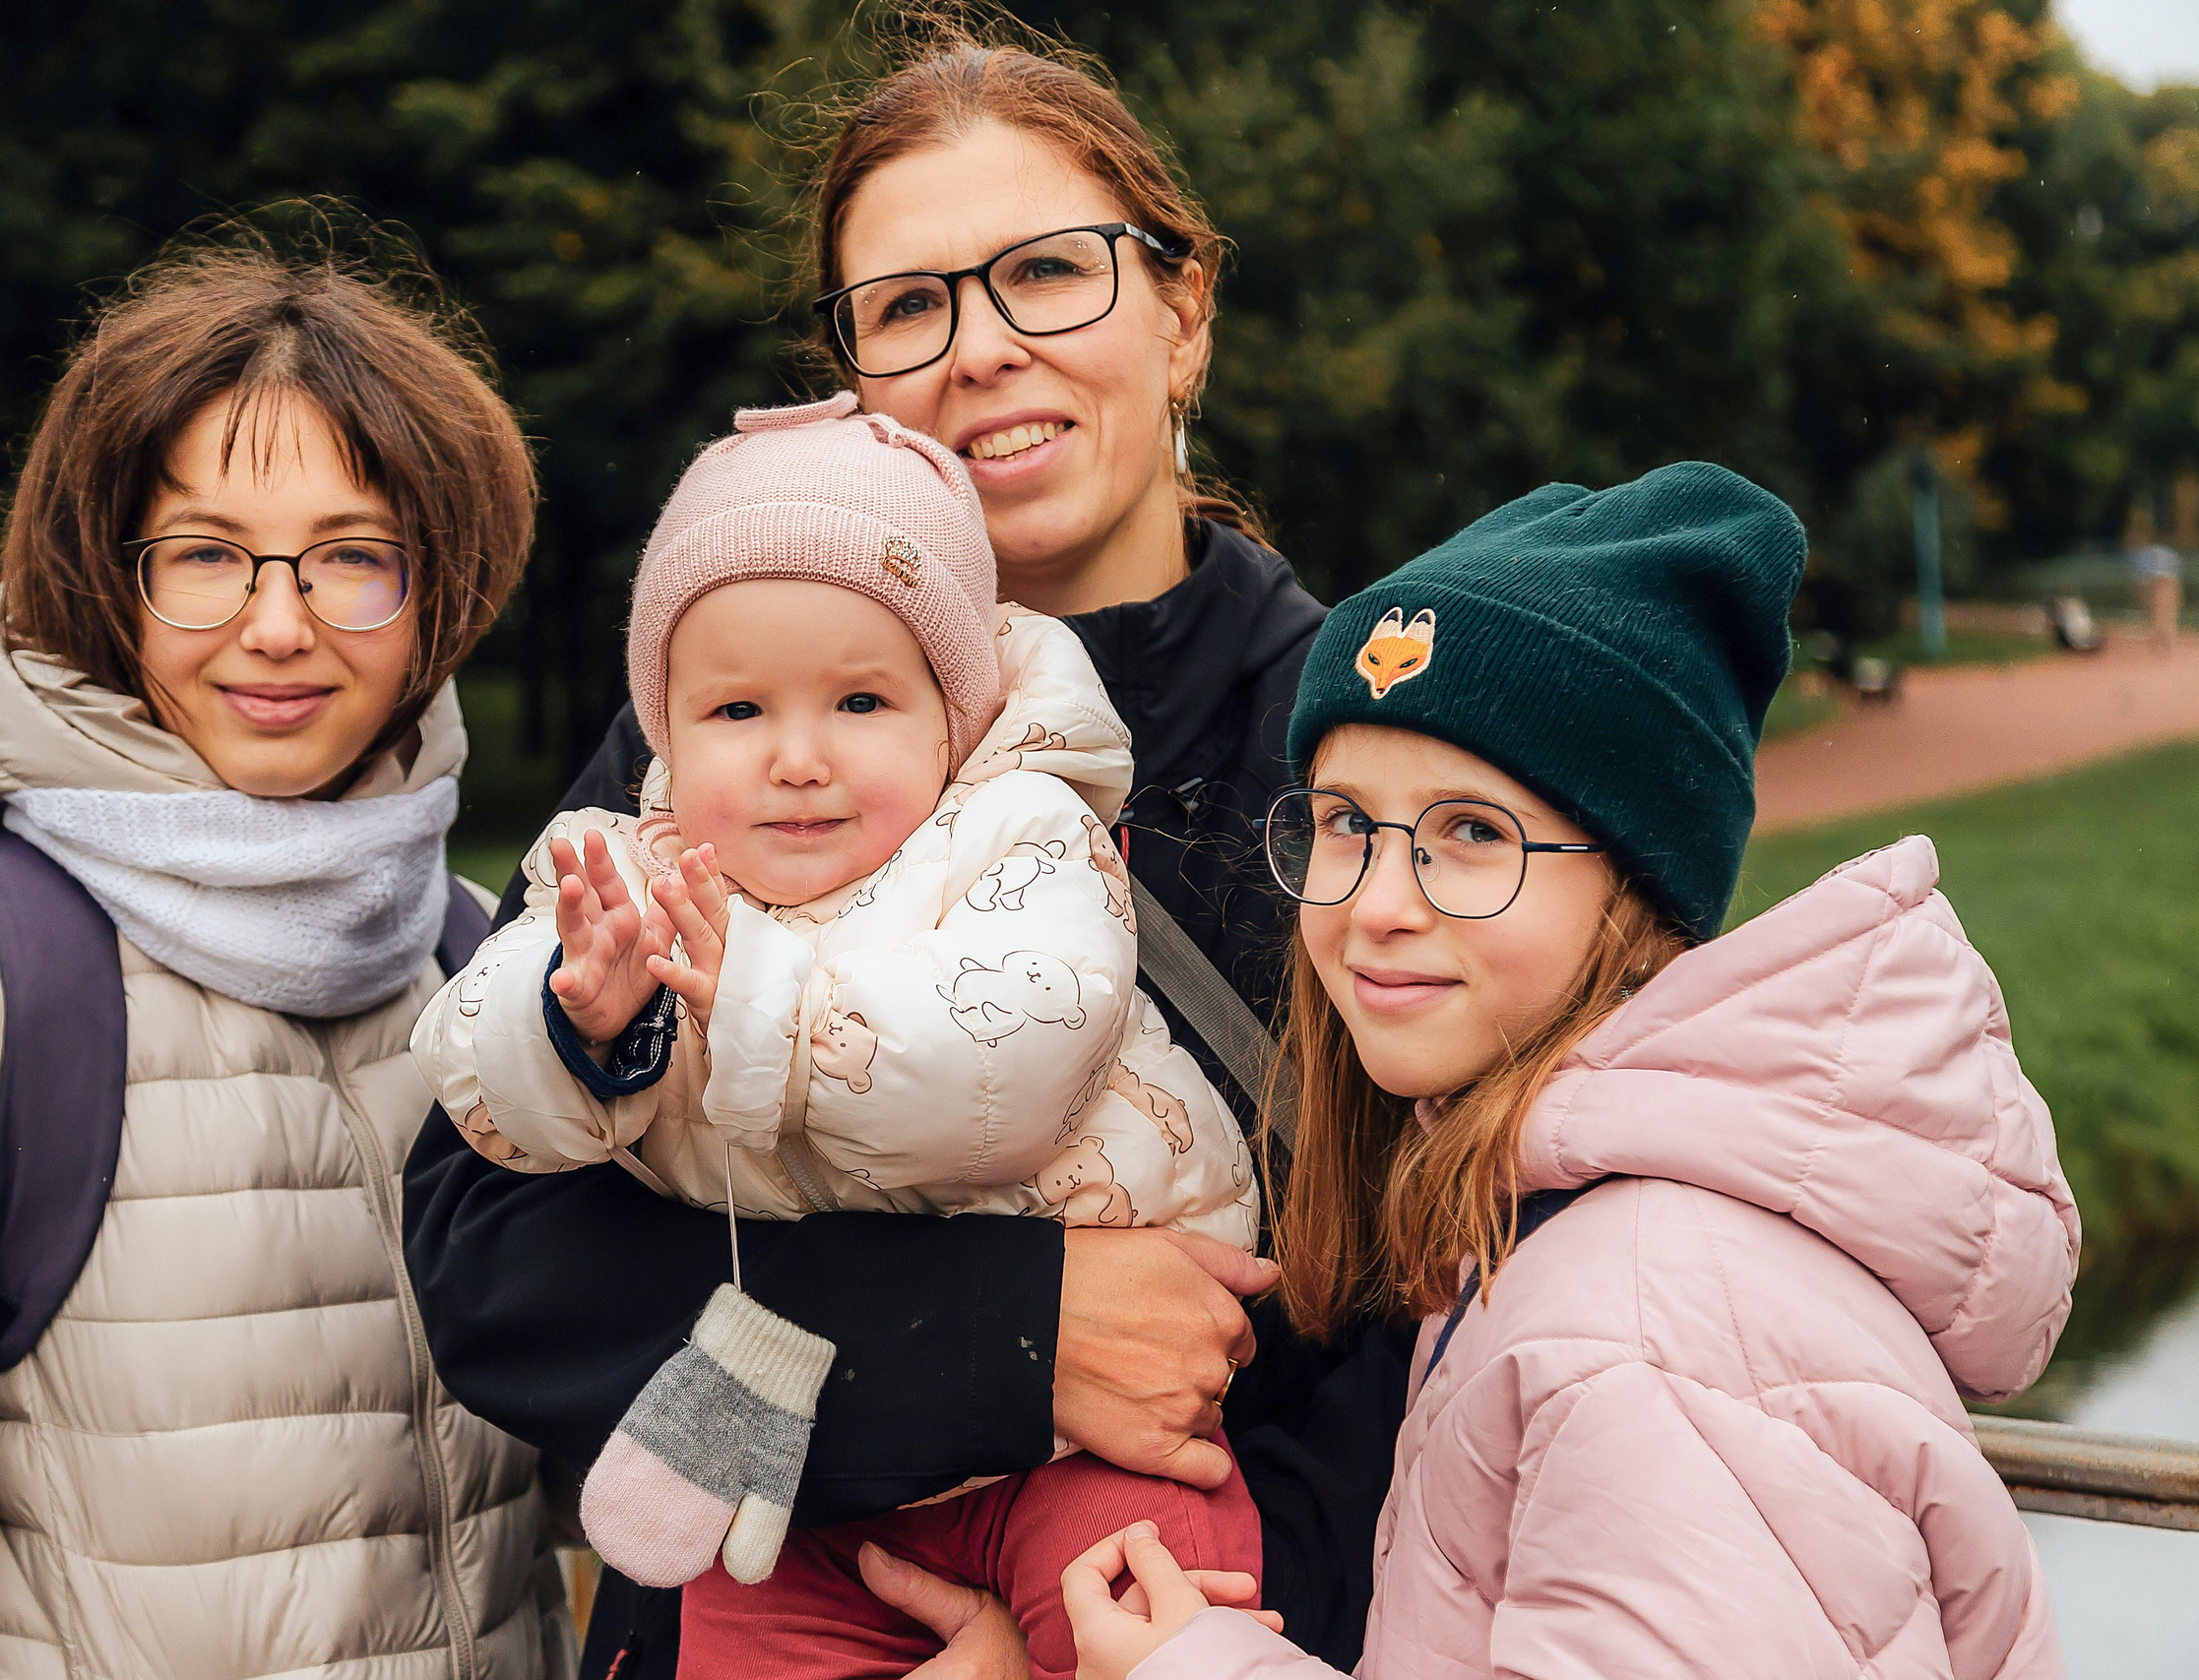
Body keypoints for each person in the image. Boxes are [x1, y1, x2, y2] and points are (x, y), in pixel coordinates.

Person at [398, 31, 1417, 1680]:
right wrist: (1010, 1338)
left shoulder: (1355, 737)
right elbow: (491, 1254)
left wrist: (1061, 1643)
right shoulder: (727, 732)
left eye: (1047, 275)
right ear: (850, 374)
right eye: (911, 306)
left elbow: (1439, 1318)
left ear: (1185, 306)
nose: (984, 350)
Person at [0, 241, 575, 1678]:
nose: (276, 624)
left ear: (438, 592)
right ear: (108, 579)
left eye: (353, 555)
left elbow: (612, 1472)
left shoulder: (482, 963)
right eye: (205, 554)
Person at [1064, 464, 2079, 1679]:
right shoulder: (1554, 1226)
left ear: (1639, 890)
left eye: (1473, 833)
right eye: (1345, 821)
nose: (1377, 904)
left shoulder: (1645, 1330)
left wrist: (1195, 1671)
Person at [413, 394, 1264, 1678]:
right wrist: (578, 1024)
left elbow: (1007, 1062)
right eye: (738, 711)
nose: (796, 757)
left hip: (1093, 1445)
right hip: (815, 1471)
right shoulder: (644, 871)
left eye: (860, 700)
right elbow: (470, 1069)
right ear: (664, 731)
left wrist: (756, 1000)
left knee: (1150, 1638)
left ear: (950, 715)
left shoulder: (1017, 838)